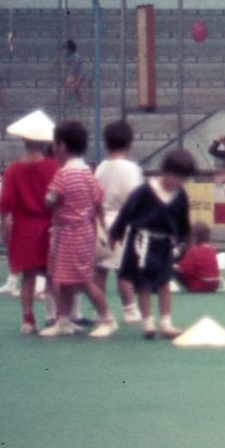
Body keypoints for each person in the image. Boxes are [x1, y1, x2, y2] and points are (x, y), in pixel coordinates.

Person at [40, 120, 117, 339]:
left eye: (55, 143)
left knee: (83, 279)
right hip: (84, 231)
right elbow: (98, 199)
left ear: (62, 146)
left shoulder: (63, 174)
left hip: (68, 232)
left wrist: (49, 199)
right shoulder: (87, 172)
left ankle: (108, 319)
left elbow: (50, 201)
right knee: (64, 277)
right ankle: (63, 319)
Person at [109, 149, 195, 340]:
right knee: (144, 284)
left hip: (164, 243)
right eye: (177, 177)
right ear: (165, 172)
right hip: (141, 242)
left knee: (165, 282)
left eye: (183, 179)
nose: (179, 182)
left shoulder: (180, 195)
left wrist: (186, 240)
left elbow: (183, 220)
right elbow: (126, 213)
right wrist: (115, 235)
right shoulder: (144, 191)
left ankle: (166, 322)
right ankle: (148, 322)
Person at [0, 112, 59, 334]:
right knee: (52, 275)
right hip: (48, 225)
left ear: (24, 141)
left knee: (27, 276)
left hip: (24, 227)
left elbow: (5, 203)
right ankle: (52, 317)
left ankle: (28, 319)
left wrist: (4, 226)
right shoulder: (53, 167)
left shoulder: (13, 169)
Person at [93, 119, 144, 325]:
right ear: (129, 142)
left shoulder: (101, 167)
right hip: (122, 223)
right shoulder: (130, 168)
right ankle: (129, 308)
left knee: (100, 271)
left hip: (101, 222)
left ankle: (101, 312)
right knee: (124, 270)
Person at [175, 222, 224, 294]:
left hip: (199, 285)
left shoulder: (194, 250)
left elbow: (184, 268)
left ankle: (167, 285)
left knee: (172, 268)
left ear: (194, 236)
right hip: (214, 284)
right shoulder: (212, 249)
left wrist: (173, 266)